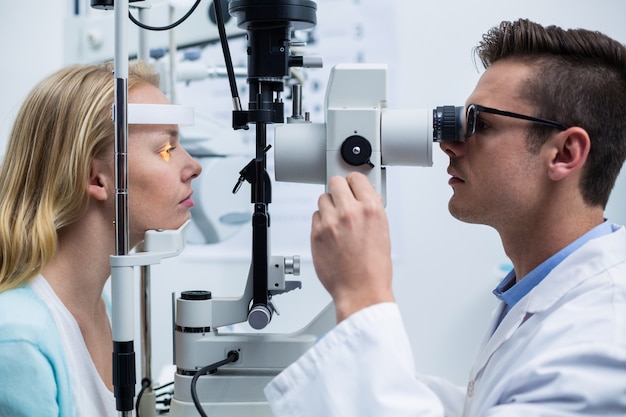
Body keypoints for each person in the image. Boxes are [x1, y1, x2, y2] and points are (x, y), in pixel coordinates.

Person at [264, 18, 626, 416]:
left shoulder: (602, 336)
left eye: (480, 124)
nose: (449, 144)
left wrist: (362, 296)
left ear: (565, 153)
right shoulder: (537, 293)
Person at [0, 61, 202, 416]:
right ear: (96, 179)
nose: (193, 166)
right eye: (166, 149)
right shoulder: (18, 339)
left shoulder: (99, 307)